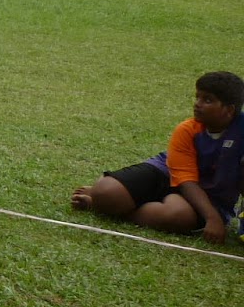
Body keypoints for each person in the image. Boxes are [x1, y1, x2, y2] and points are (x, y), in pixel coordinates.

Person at [70, 71, 244, 244]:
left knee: (177, 216)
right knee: (106, 192)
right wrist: (212, 219)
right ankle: (104, 200)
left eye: (207, 100)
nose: (197, 104)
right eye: (197, 97)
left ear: (229, 110)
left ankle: (109, 207)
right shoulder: (187, 130)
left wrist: (213, 217)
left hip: (208, 195)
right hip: (168, 174)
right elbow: (186, 180)